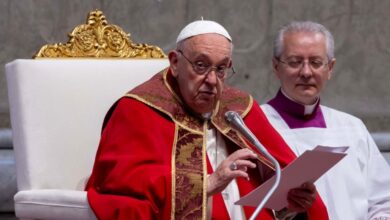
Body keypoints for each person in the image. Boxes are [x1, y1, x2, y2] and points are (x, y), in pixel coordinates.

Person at [85, 20, 324, 220]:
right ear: (175, 63)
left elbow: (272, 186)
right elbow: (117, 189)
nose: (211, 80)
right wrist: (206, 184)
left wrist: (291, 206)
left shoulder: (239, 108)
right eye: (201, 65)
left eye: (221, 69)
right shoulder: (139, 109)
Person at [261, 20, 390, 220]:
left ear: (330, 68)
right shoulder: (255, 125)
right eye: (295, 61)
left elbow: (383, 201)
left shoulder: (352, 128)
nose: (306, 72)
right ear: (276, 66)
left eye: (315, 62)